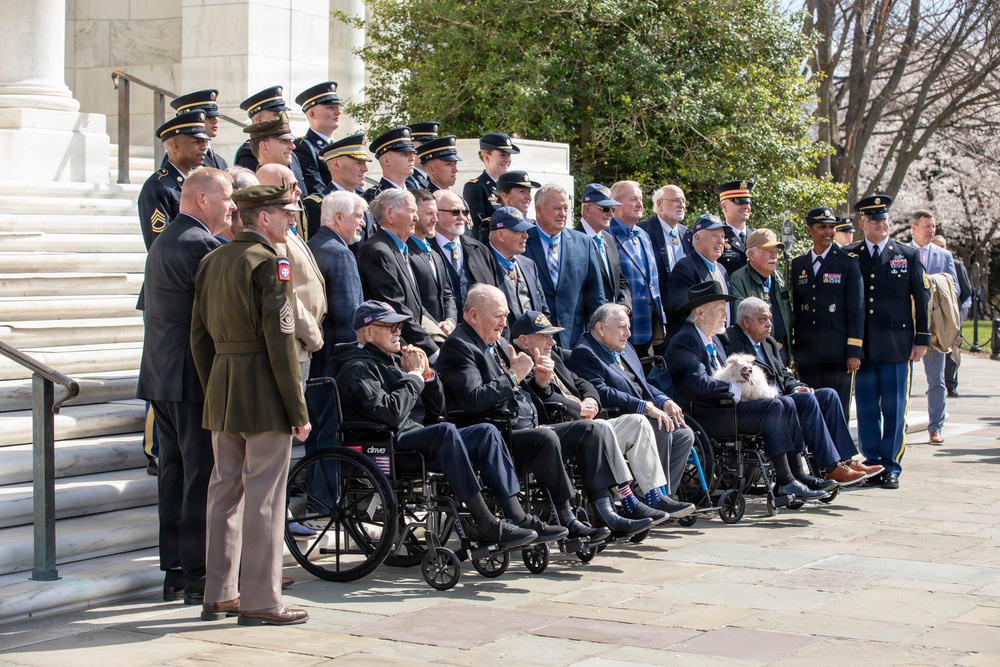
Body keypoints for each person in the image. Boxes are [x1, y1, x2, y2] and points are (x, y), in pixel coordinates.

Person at [438, 284, 663, 539]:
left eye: (505, 315)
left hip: (523, 425)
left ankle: (605, 510)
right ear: (474, 315)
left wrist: (540, 382)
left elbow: (525, 388)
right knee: (546, 438)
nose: (503, 323)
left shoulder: (496, 342)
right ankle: (566, 516)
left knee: (589, 430)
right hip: (495, 434)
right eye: (498, 316)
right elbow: (473, 400)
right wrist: (514, 376)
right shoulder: (459, 346)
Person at [333, 301, 563, 547]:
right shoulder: (355, 366)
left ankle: (517, 515)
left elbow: (437, 411)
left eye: (399, 326)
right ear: (368, 332)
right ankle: (485, 522)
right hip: (386, 445)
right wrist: (412, 377)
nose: (398, 331)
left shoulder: (395, 361)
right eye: (390, 327)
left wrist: (428, 376)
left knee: (486, 432)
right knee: (445, 432)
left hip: (416, 438)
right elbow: (391, 413)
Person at [190, 181, 311, 626]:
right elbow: (281, 345)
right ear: (263, 218)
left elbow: (198, 337)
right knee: (264, 499)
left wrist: (214, 386)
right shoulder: (270, 264)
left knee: (224, 493)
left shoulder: (211, 261)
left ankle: (219, 592)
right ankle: (262, 600)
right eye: (287, 214)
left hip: (223, 388)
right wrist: (298, 411)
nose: (292, 221)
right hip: (263, 392)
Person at [137, 167, 234, 605]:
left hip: (160, 376)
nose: (231, 206)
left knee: (174, 474)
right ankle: (198, 574)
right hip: (191, 378)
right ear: (202, 200)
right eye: (227, 197)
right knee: (201, 476)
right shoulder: (203, 245)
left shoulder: (161, 242)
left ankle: (175, 568)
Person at [665, 281, 829, 501]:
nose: (725, 314)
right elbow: (698, 384)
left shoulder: (713, 339)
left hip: (727, 406)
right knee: (773, 406)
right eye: (720, 310)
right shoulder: (684, 341)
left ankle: (796, 473)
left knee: (787, 402)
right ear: (701, 312)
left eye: (726, 309)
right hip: (708, 413)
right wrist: (738, 389)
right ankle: (784, 481)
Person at [566, 304, 701, 516]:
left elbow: (642, 384)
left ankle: (665, 497)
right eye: (622, 328)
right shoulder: (585, 353)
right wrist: (644, 406)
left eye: (628, 328)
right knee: (662, 427)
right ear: (601, 328)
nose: (628, 334)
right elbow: (601, 391)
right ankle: (654, 497)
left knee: (684, 435)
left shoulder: (624, 346)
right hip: (618, 418)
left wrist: (662, 400)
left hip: (642, 413)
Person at [724, 298, 875, 485]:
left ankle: (846, 460)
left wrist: (796, 386)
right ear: (746, 321)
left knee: (828, 395)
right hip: (764, 402)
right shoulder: (731, 340)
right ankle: (831, 467)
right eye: (763, 319)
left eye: (770, 318)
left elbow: (783, 373)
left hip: (783, 396)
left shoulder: (768, 342)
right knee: (806, 401)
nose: (770, 324)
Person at [843, 195, 930, 489]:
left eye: (884, 219)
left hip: (897, 345)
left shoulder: (906, 254)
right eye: (874, 220)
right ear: (862, 224)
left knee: (894, 408)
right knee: (867, 408)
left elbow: (922, 297)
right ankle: (871, 463)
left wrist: (923, 339)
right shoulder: (850, 254)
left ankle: (891, 465)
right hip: (864, 346)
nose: (881, 225)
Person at [790, 207, 864, 421]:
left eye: (831, 227)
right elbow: (796, 307)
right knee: (811, 408)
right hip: (808, 352)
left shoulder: (847, 261)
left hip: (837, 352)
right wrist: (796, 350)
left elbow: (856, 309)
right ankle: (816, 453)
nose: (828, 232)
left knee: (837, 408)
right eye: (822, 227)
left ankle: (841, 454)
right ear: (809, 230)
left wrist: (854, 351)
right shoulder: (799, 264)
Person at [256, 164, 327, 383]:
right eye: (292, 185)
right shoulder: (275, 235)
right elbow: (285, 292)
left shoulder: (289, 228)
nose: (299, 191)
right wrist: (311, 335)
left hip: (302, 343)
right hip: (295, 341)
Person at [358, 189, 438, 357]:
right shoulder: (379, 251)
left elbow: (415, 306)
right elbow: (396, 308)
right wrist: (433, 352)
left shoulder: (397, 249)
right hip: (395, 349)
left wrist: (438, 333)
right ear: (390, 214)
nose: (416, 217)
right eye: (412, 211)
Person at [523, 183, 605, 347]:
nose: (563, 214)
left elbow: (595, 295)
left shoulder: (583, 242)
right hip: (534, 339)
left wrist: (596, 337)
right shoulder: (523, 241)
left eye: (566, 208)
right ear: (538, 210)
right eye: (556, 208)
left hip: (574, 339)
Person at [910, 210, 959, 445]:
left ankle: (935, 427)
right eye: (927, 226)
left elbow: (955, 289)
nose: (931, 231)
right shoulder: (903, 252)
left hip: (936, 327)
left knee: (936, 379)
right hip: (907, 326)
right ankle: (899, 423)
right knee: (904, 378)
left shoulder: (944, 255)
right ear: (914, 228)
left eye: (933, 226)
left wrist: (938, 287)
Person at [307, 190, 366, 376]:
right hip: (336, 362)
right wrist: (357, 361)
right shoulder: (340, 253)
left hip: (318, 356)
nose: (363, 223)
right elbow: (348, 316)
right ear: (339, 217)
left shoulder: (311, 245)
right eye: (358, 216)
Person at [608, 181, 666, 353]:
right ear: (616, 204)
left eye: (640, 199)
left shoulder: (643, 235)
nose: (640, 204)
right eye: (633, 199)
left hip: (648, 328)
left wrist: (659, 320)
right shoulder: (607, 235)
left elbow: (652, 282)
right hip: (622, 329)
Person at [138, 111, 209, 249]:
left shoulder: (201, 180)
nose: (204, 146)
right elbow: (159, 242)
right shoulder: (158, 186)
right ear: (175, 147)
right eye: (196, 142)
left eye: (205, 141)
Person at [728, 229, 792, 365]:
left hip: (782, 351)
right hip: (758, 354)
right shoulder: (739, 280)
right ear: (751, 254)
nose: (774, 256)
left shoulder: (778, 277)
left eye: (776, 251)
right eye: (768, 251)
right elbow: (741, 323)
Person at [302, 133, 375, 249]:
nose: (365, 169)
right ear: (336, 165)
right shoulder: (317, 205)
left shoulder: (365, 202)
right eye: (358, 162)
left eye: (365, 163)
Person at [665, 214, 732, 340]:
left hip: (722, 344)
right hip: (697, 344)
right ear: (697, 238)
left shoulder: (722, 269)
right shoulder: (685, 268)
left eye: (722, 237)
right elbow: (686, 315)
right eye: (714, 236)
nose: (721, 241)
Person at [487, 207, 549, 333]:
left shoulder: (529, 265)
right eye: (519, 231)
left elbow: (543, 310)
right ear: (500, 235)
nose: (526, 236)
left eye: (525, 230)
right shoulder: (482, 264)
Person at [431, 189, 495, 313]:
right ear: (435, 214)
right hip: (442, 328)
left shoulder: (479, 250)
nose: (462, 218)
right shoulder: (422, 250)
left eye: (465, 212)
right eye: (455, 212)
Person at [407, 189, 458, 337]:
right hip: (421, 336)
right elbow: (412, 301)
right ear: (414, 215)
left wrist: (450, 321)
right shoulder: (405, 253)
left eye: (436, 213)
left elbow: (447, 293)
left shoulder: (435, 253)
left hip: (443, 335)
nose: (435, 219)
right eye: (429, 214)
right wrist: (435, 327)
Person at [576, 183, 631, 312]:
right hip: (589, 323)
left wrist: (625, 306)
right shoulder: (573, 241)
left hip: (612, 322)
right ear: (587, 209)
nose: (610, 214)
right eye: (605, 209)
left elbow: (620, 280)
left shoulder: (609, 239)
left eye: (613, 209)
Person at [234, 86, 304, 183]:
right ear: (258, 121)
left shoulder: (292, 157)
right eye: (277, 115)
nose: (283, 117)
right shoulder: (250, 153)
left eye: (283, 113)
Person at [931, 234, 971, 397]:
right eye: (937, 246)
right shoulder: (926, 262)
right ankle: (935, 383)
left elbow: (965, 289)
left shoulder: (956, 264)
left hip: (951, 315)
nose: (941, 250)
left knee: (952, 351)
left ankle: (951, 384)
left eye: (943, 246)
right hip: (932, 314)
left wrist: (952, 305)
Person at [640, 185, 693, 293]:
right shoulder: (643, 231)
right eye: (676, 200)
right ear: (660, 204)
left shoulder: (687, 234)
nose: (682, 205)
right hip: (659, 303)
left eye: (683, 201)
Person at [292, 81, 342, 198]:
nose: (338, 112)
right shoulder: (303, 147)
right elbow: (317, 190)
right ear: (312, 114)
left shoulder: (340, 147)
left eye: (338, 107)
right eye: (330, 107)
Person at [465, 132, 518, 240]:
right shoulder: (476, 187)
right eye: (502, 155)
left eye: (508, 155)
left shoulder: (511, 187)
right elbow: (479, 228)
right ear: (486, 158)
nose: (507, 160)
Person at [168, 89, 227, 170]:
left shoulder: (221, 161)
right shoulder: (182, 160)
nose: (215, 121)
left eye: (215, 117)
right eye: (208, 117)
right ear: (192, 120)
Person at [363, 127, 417, 202]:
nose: (412, 158)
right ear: (386, 160)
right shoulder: (375, 197)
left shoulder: (415, 194)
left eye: (412, 154)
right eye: (404, 154)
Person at [713, 179, 754, 276]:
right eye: (739, 202)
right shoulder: (716, 238)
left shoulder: (756, 237)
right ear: (724, 207)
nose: (746, 206)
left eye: (748, 202)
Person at [405, 121, 439, 190]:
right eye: (427, 147)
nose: (432, 152)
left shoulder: (430, 179)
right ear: (411, 148)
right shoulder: (408, 182)